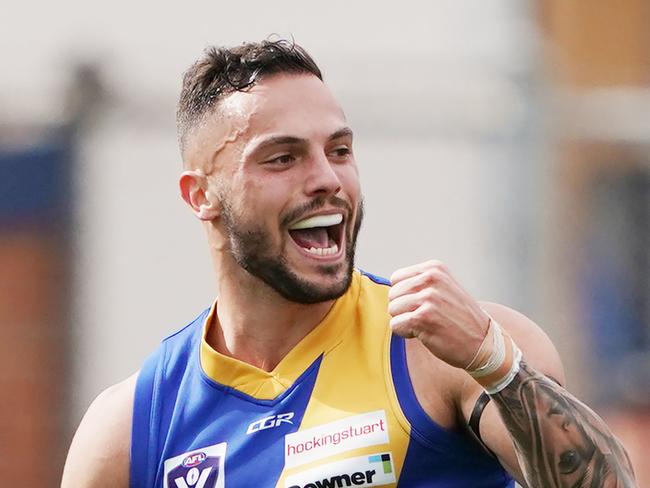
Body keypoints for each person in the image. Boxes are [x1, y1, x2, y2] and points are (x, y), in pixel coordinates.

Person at [62, 39, 637, 488]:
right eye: (283, 158)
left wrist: (496, 365)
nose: (327, 180)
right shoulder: (133, 426)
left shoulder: (444, 353)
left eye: (339, 150)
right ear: (201, 196)